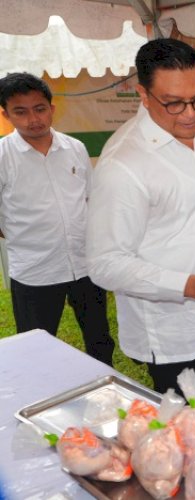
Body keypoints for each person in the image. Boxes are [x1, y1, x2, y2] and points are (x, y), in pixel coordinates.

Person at [86, 39, 195, 402]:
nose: (190, 114)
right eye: (174, 103)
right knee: (188, 447)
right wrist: (193, 286)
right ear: (144, 94)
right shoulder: (124, 164)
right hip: (174, 337)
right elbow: (105, 263)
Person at [0, 72, 115, 366]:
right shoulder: (3, 156)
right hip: (35, 271)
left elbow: (89, 198)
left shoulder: (74, 148)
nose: (33, 119)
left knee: (99, 338)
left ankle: (105, 389)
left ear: (52, 108)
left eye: (39, 108)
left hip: (84, 265)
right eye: (20, 112)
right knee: (36, 346)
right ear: (5, 114)